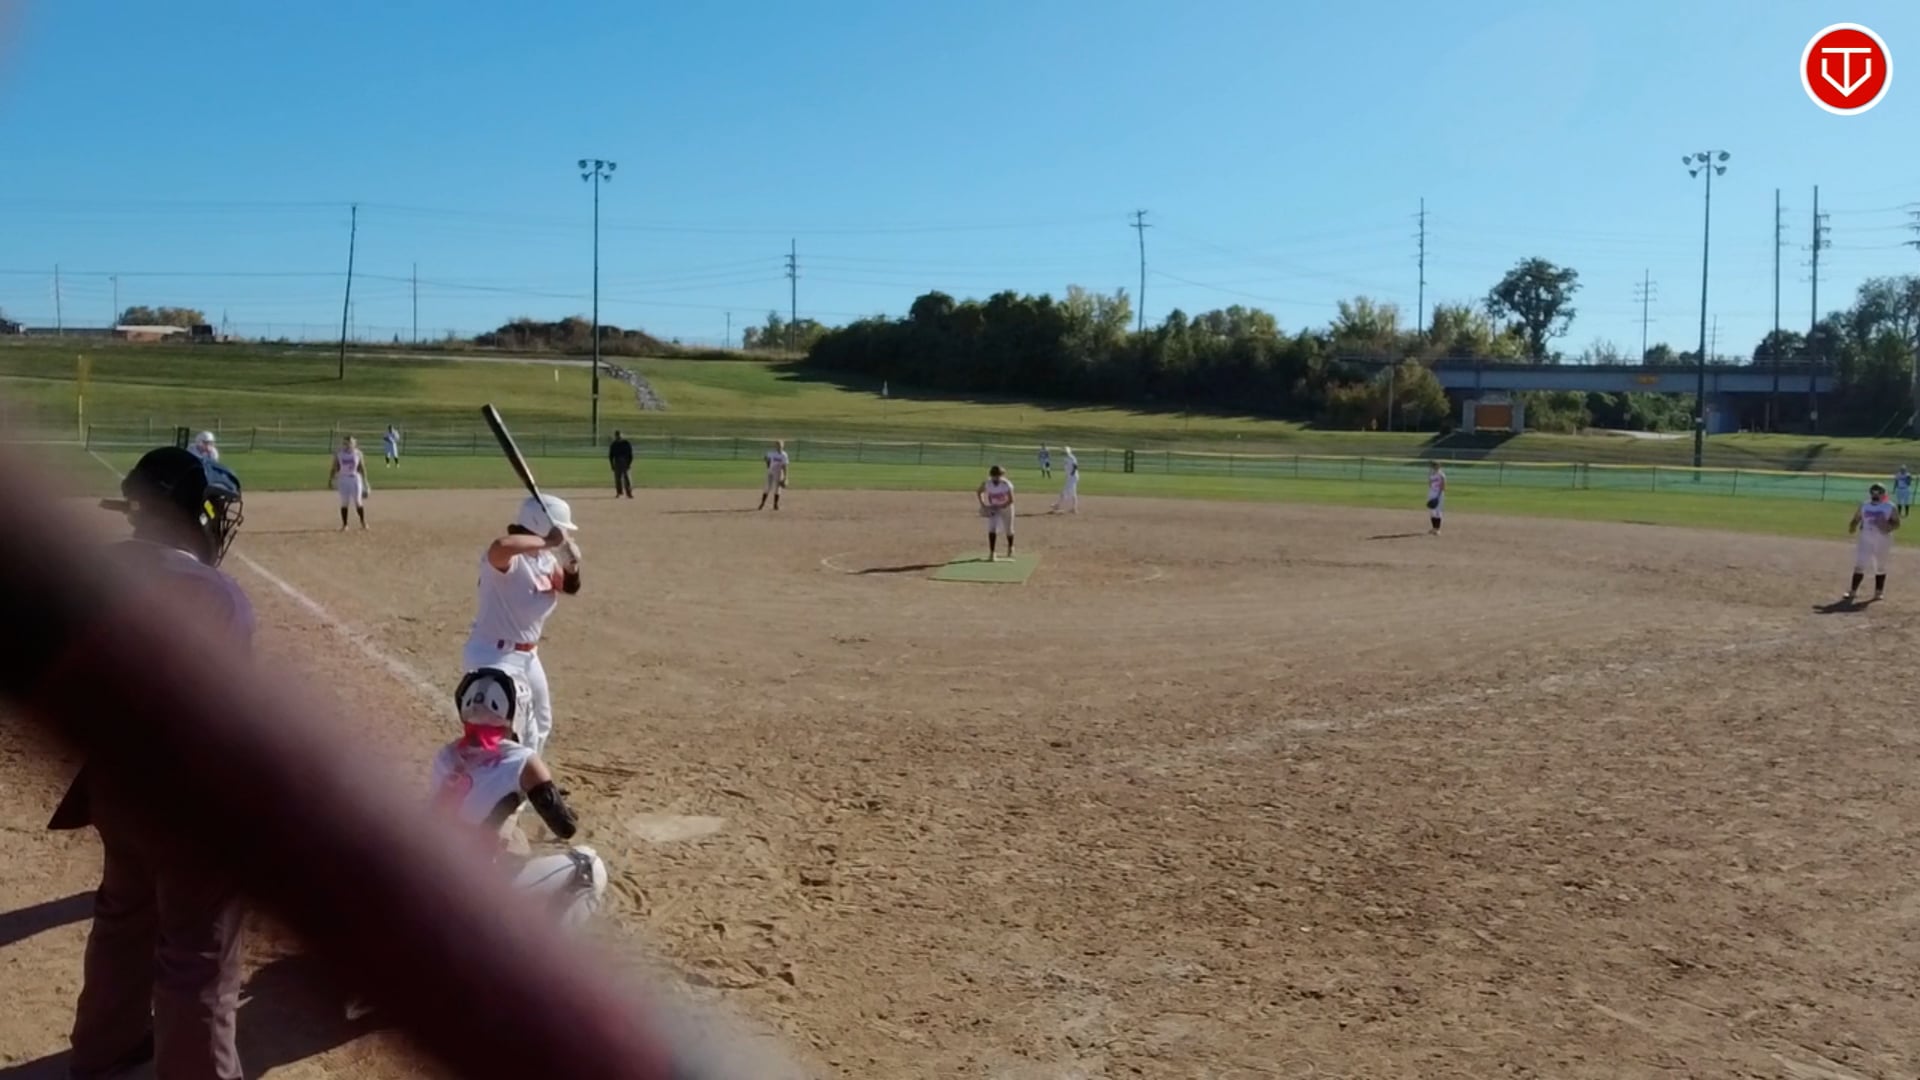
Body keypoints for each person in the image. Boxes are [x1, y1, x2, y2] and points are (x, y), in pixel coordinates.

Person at [50, 446, 253, 1080]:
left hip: (112, 781)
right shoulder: (216, 594)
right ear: (197, 514)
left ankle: (105, 1047)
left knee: (124, 914)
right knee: (199, 954)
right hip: (189, 797)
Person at [349, 667, 608, 1021]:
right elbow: (565, 828)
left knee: (502, 843)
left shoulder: (445, 756)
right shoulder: (523, 760)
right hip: (471, 895)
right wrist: (542, 791)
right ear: (516, 711)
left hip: (420, 884)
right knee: (589, 867)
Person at [461, 494, 581, 755]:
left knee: (540, 723)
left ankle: (528, 773)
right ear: (541, 525)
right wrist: (550, 541)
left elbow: (569, 588)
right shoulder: (511, 561)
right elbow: (501, 545)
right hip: (494, 656)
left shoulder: (544, 560)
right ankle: (496, 775)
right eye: (561, 529)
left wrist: (572, 567)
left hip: (528, 656)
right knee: (504, 727)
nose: (565, 535)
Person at [1845, 482, 1900, 603]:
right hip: (1866, 537)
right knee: (1860, 563)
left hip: (1883, 539)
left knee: (1880, 565)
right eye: (1873, 493)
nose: (1875, 495)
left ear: (1883, 494)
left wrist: (1887, 526)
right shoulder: (1864, 505)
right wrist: (1852, 526)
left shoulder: (1890, 506)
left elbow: (1896, 523)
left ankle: (1878, 592)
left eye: (1878, 493)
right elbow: (1856, 518)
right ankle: (1853, 591)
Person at [328, 435, 369, 531]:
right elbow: (335, 467)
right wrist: (330, 479)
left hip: (355, 479)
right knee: (344, 502)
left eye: (350, 443)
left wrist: (366, 482)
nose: (347, 445)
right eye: (345, 443)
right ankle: (345, 525)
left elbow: (362, 468)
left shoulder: (358, 453)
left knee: (358, 501)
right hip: (343, 479)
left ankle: (363, 522)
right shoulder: (339, 454)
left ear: (354, 444)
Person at [977, 464, 1016, 562]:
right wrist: (983, 504)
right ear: (991, 475)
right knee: (992, 528)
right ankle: (992, 553)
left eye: (999, 475)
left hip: (1007, 507)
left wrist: (1001, 506)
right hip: (994, 508)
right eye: (995, 475)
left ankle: (1010, 547)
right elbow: (979, 491)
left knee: (1009, 529)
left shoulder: (1006, 484)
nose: (997, 477)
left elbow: (1011, 500)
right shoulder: (987, 483)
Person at [758, 439, 790, 511]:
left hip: (778, 473)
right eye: (777, 445)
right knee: (767, 488)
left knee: (777, 489)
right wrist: (767, 463)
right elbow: (765, 458)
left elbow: (785, 466)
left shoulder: (784, 455)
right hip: (770, 472)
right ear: (775, 446)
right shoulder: (771, 453)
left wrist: (785, 477)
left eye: (780, 445)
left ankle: (775, 505)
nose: (779, 446)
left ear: (783, 446)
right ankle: (762, 503)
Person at [1050, 446, 1079, 514]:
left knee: (1069, 492)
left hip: (1072, 478)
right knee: (1067, 492)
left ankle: (1072, 508)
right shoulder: (1066, 458)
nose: (1062, 452)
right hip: (1070, 477)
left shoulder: (1071, 457)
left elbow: (1075, 466)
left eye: (1064, 451)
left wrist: (1071, 474)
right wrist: (1068, 475)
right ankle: (1070, 508)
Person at [609, 431, 634, 499]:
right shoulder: (614, 444)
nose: (618, 437)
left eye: (619, 435)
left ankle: (629, 493)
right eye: (617, 436)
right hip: (617, 461)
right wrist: (612, 464)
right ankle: (619, 492)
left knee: (627, 478)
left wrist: (629, 463)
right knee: (618, 478)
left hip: (625, 461)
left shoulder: (626, 443)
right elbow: (611, 455)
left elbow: (630, 454)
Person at [1427, 461, 1447, 535]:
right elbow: (1429, 484)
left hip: (1439, 494)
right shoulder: (1431, 474)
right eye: (1434, 465)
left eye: (1437, 465)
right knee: (1432, 512)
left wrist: (1438, 496)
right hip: (1431, 493)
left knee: (1438, 512)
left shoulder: (1441, 475)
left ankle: (1438, 529)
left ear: (1439, 466)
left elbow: (1443, 486)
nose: (1435, 467)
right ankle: (1434, 528)